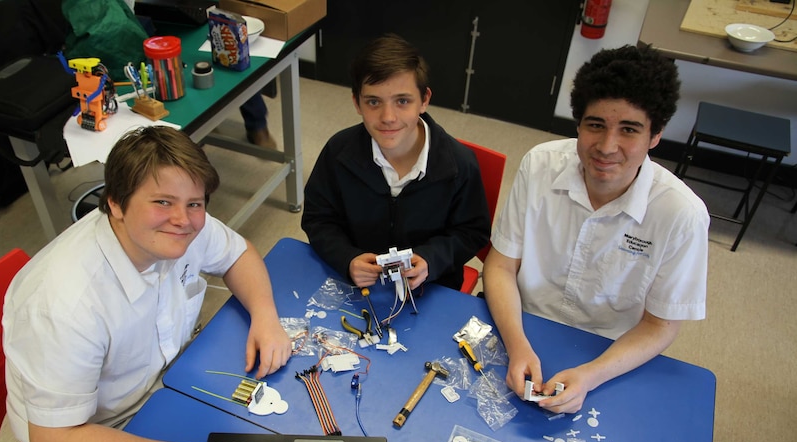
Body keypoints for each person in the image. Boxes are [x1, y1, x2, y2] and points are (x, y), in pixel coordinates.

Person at [3, 125, 292, 442]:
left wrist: (265, 316)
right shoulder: (65, 305)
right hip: (96, 434)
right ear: (116, 204)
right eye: (162, 202)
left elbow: (238, 254)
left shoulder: (180, 227)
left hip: (164, 384)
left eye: (195, 203)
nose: (184, 220)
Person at [483, 44, 709, 414]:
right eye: (595, 125)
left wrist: (591, 375)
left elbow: (660, 325)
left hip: (608, 351)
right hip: (519, 322)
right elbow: (501, 265)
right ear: (578, 124)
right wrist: (518, 344)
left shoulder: (682, 214)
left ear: (655, 135)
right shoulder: (539, 165)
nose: (607, 147)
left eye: (629, 130)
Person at [300, 34, 490, 291]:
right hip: (357, 284)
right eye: (374, 102)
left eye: (402, 101)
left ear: (424, 100)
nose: (388, 117)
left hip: (431, 287)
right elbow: (318, 218)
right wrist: (347, 258)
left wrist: (431, 259)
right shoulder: (337, 152)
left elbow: (472, 232)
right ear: (357, 102)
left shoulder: (460, 164)